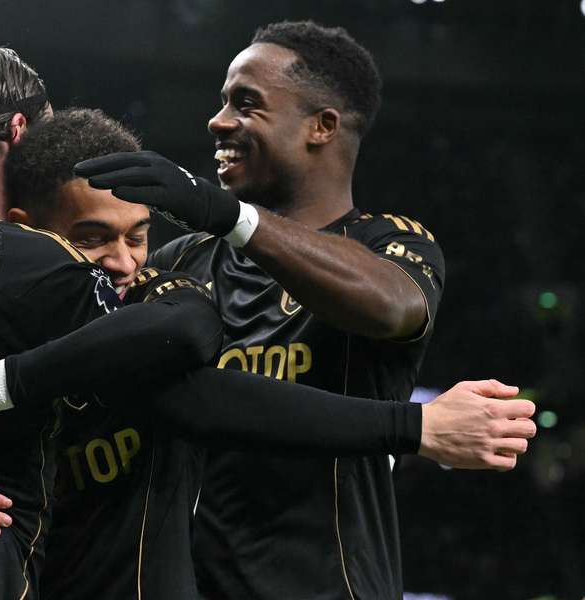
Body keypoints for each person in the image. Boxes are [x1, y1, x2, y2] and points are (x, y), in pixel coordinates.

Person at [0, 105, 535, 599]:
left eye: (137, 235)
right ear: (24, 233)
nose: (121, 259)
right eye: (92, 239)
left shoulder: (151, 305)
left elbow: (208, 385)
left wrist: (416, 429)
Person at [73, 19, 461, 600]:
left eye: (245, 104)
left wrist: (233, 219)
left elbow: (391, 307)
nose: (218, 120)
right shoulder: (184, 260)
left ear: (322, 127)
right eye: (223, 101)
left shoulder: (390, 242)